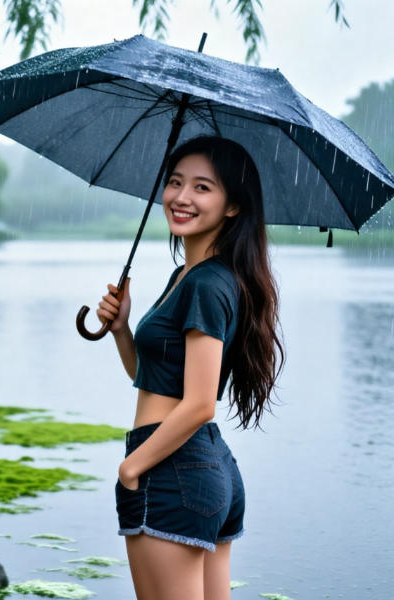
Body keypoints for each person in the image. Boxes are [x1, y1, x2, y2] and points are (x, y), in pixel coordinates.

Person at [96, 135, 284, 600]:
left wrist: (132, 467)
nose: (181, 197)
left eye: (203, 188)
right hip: (205, 466)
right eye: (175, 182)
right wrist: (123, 329)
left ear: (233, 206)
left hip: (170, 465)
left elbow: (200, 404)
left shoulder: (207, 283)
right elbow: (156, 379)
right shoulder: (194, 276)